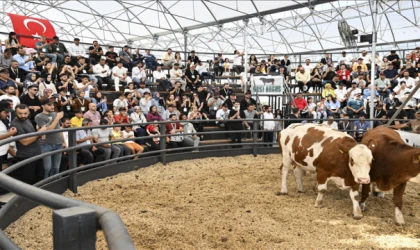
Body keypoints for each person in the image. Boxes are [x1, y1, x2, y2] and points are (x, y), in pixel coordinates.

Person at [35, 98, 65, 179]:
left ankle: (54, 184)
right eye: (49, 105)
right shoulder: (39, 116)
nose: (52, 106)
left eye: (53, 105)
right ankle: (46, 185)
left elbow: (59, 129)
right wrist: (57, 118)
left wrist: (64, 141)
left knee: (56, 167)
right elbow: (48, 130)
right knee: (47, 168)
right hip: (46, 145)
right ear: (42, 106)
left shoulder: (55, 114)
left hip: (58, 143)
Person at [0, 101, 17, 167]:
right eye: (6, 112)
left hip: (2, 153)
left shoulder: (3, 120)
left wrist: (8, 132)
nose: (8, 114)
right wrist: (9, 134)